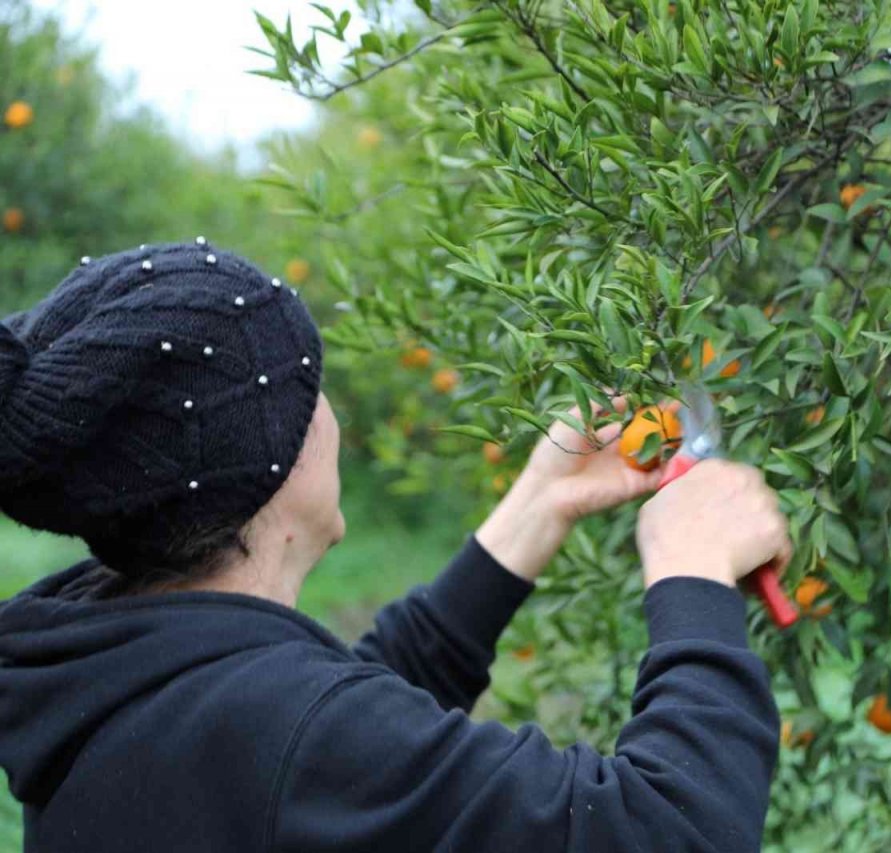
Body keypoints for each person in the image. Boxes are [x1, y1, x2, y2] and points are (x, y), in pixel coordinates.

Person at [0, 241, 793, 852]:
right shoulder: (282, 735)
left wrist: (537, 506)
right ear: (259, 461)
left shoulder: (110, 666)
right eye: (311, 391)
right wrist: (691, 573)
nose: (331, 415)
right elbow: (671, 829)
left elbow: (350, 721)